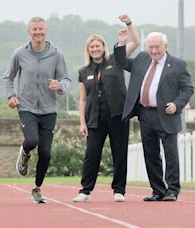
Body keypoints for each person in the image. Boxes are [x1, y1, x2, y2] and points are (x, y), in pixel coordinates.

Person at [114, 31, 193, 202]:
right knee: (150, 154)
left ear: (166, 47)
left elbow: (188, 89)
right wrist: (121, 44)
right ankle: (158, 190)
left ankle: (172, 190)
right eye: (151, 47)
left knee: (170, 154)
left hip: (166, 114)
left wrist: (177, 104)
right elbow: (120, 62)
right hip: (145, 114)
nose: (154, 50)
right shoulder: (142, 59)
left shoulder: (178, 64)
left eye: (157, 47)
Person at [72, 15, 140, 203]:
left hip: (118, 115)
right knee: (91, 155)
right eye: (91, 47)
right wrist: (82, 123)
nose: (95, 49)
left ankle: (119, 190)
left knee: (119, 153)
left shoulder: (116, 59)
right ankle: (85, 191)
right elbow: (83, 100)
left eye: (98, 45)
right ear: (88, 50)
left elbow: (136, 42)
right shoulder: (83, 71)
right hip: (95, 118)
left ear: (103, 47)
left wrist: (128, 24)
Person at [3, 16, 71, 203]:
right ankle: (24, 153)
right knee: (32, 140)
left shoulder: (56, 54)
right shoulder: (20, 53)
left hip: (49, 109)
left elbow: (66, 79)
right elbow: (8, 77)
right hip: (27, 106)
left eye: (41, 29)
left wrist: (60, 86)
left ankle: (37, 188)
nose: (38, 32)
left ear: (46, 30)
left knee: (46, 152)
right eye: (34, 29)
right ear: (29, 31)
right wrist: (11, 96)